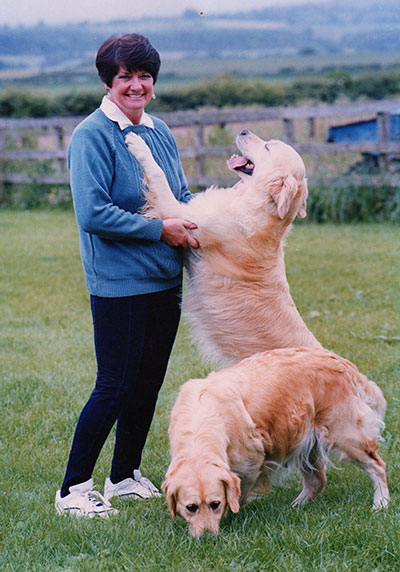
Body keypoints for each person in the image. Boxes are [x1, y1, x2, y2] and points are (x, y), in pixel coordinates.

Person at [55, 33, 198, 517]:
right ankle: (73, 489)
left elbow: (177, 196)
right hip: (119, 284)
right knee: (114, 384)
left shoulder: (159, 131)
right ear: (108, 81)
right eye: (125, 77)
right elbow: (93, 213)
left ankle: (124, 477)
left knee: (147, 382)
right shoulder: (90, 136)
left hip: (166, 280)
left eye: (143, 76)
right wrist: (161, 230)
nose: (136, 86)